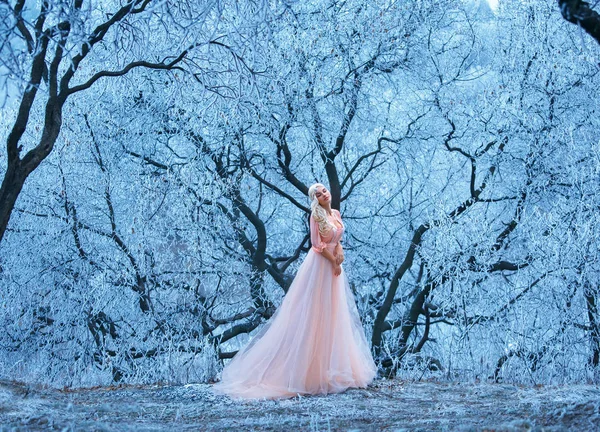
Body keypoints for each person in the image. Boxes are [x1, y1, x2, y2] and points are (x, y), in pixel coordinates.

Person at [211, 183, 377, 400]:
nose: (323, 195)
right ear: (315, 200)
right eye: (318, 195)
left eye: (324, 191)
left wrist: (340, 255)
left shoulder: (335, 213)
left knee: (335, 313)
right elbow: (317, 245)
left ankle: (332, 368)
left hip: (335, 265)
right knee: (315, 312)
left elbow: (338, 238)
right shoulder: (315, 216)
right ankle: (306, 372)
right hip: (320, 265)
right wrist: (333, 262)